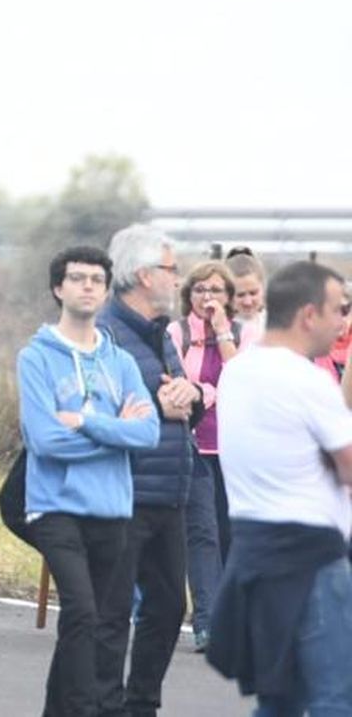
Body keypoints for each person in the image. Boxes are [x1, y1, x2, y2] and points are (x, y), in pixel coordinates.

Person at [20, 246, 160, 717]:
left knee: (91, 623)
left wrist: (85, 422)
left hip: (112, 509)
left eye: (96, 280)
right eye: (77, 278)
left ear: (105, 290)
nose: (87, 286)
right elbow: (45, 441)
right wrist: (115, 433)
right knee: (81, 612)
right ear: (59, 288)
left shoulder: (119, 362)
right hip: (56, 508)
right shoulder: (35, 357)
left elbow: (149, 432)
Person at [208, 262, 352, 714]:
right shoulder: (307, 380)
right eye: (338, 310)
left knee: (279, 697)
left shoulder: (238, 373)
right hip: (312, 558)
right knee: (334, 697)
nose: (343, 322)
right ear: (309, 314)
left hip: (254, 550)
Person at [95, 224, 204, 717]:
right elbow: (92, 409)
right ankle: (103, 704)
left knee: (166, 608)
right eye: (171, 268)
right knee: (112, 611)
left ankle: (142, 704)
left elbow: (181, 400)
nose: (177, 278)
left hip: (170, 493)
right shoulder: (104, 335)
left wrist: (192, 396)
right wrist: (157, 405)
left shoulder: (159, 335)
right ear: (142, 274)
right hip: (123, 491)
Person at [169, 260, 256, 651]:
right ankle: (207, 622)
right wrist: (204, 391)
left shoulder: (246, 334)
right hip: (193, 447)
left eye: (216, 291)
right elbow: (174, 382)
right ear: (189, 295)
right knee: (201, 533)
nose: (208, 298)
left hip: (236, 449)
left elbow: (244, 381)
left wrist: (221, 332)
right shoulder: (177, 332)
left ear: (229, 298)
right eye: (201, 290)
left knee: (230, 534)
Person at [225, 250, 267, 339]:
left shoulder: (277, 325)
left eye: (253, 293)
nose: (247, 302)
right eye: (240, 295)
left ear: (263, 289)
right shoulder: (219, 329)